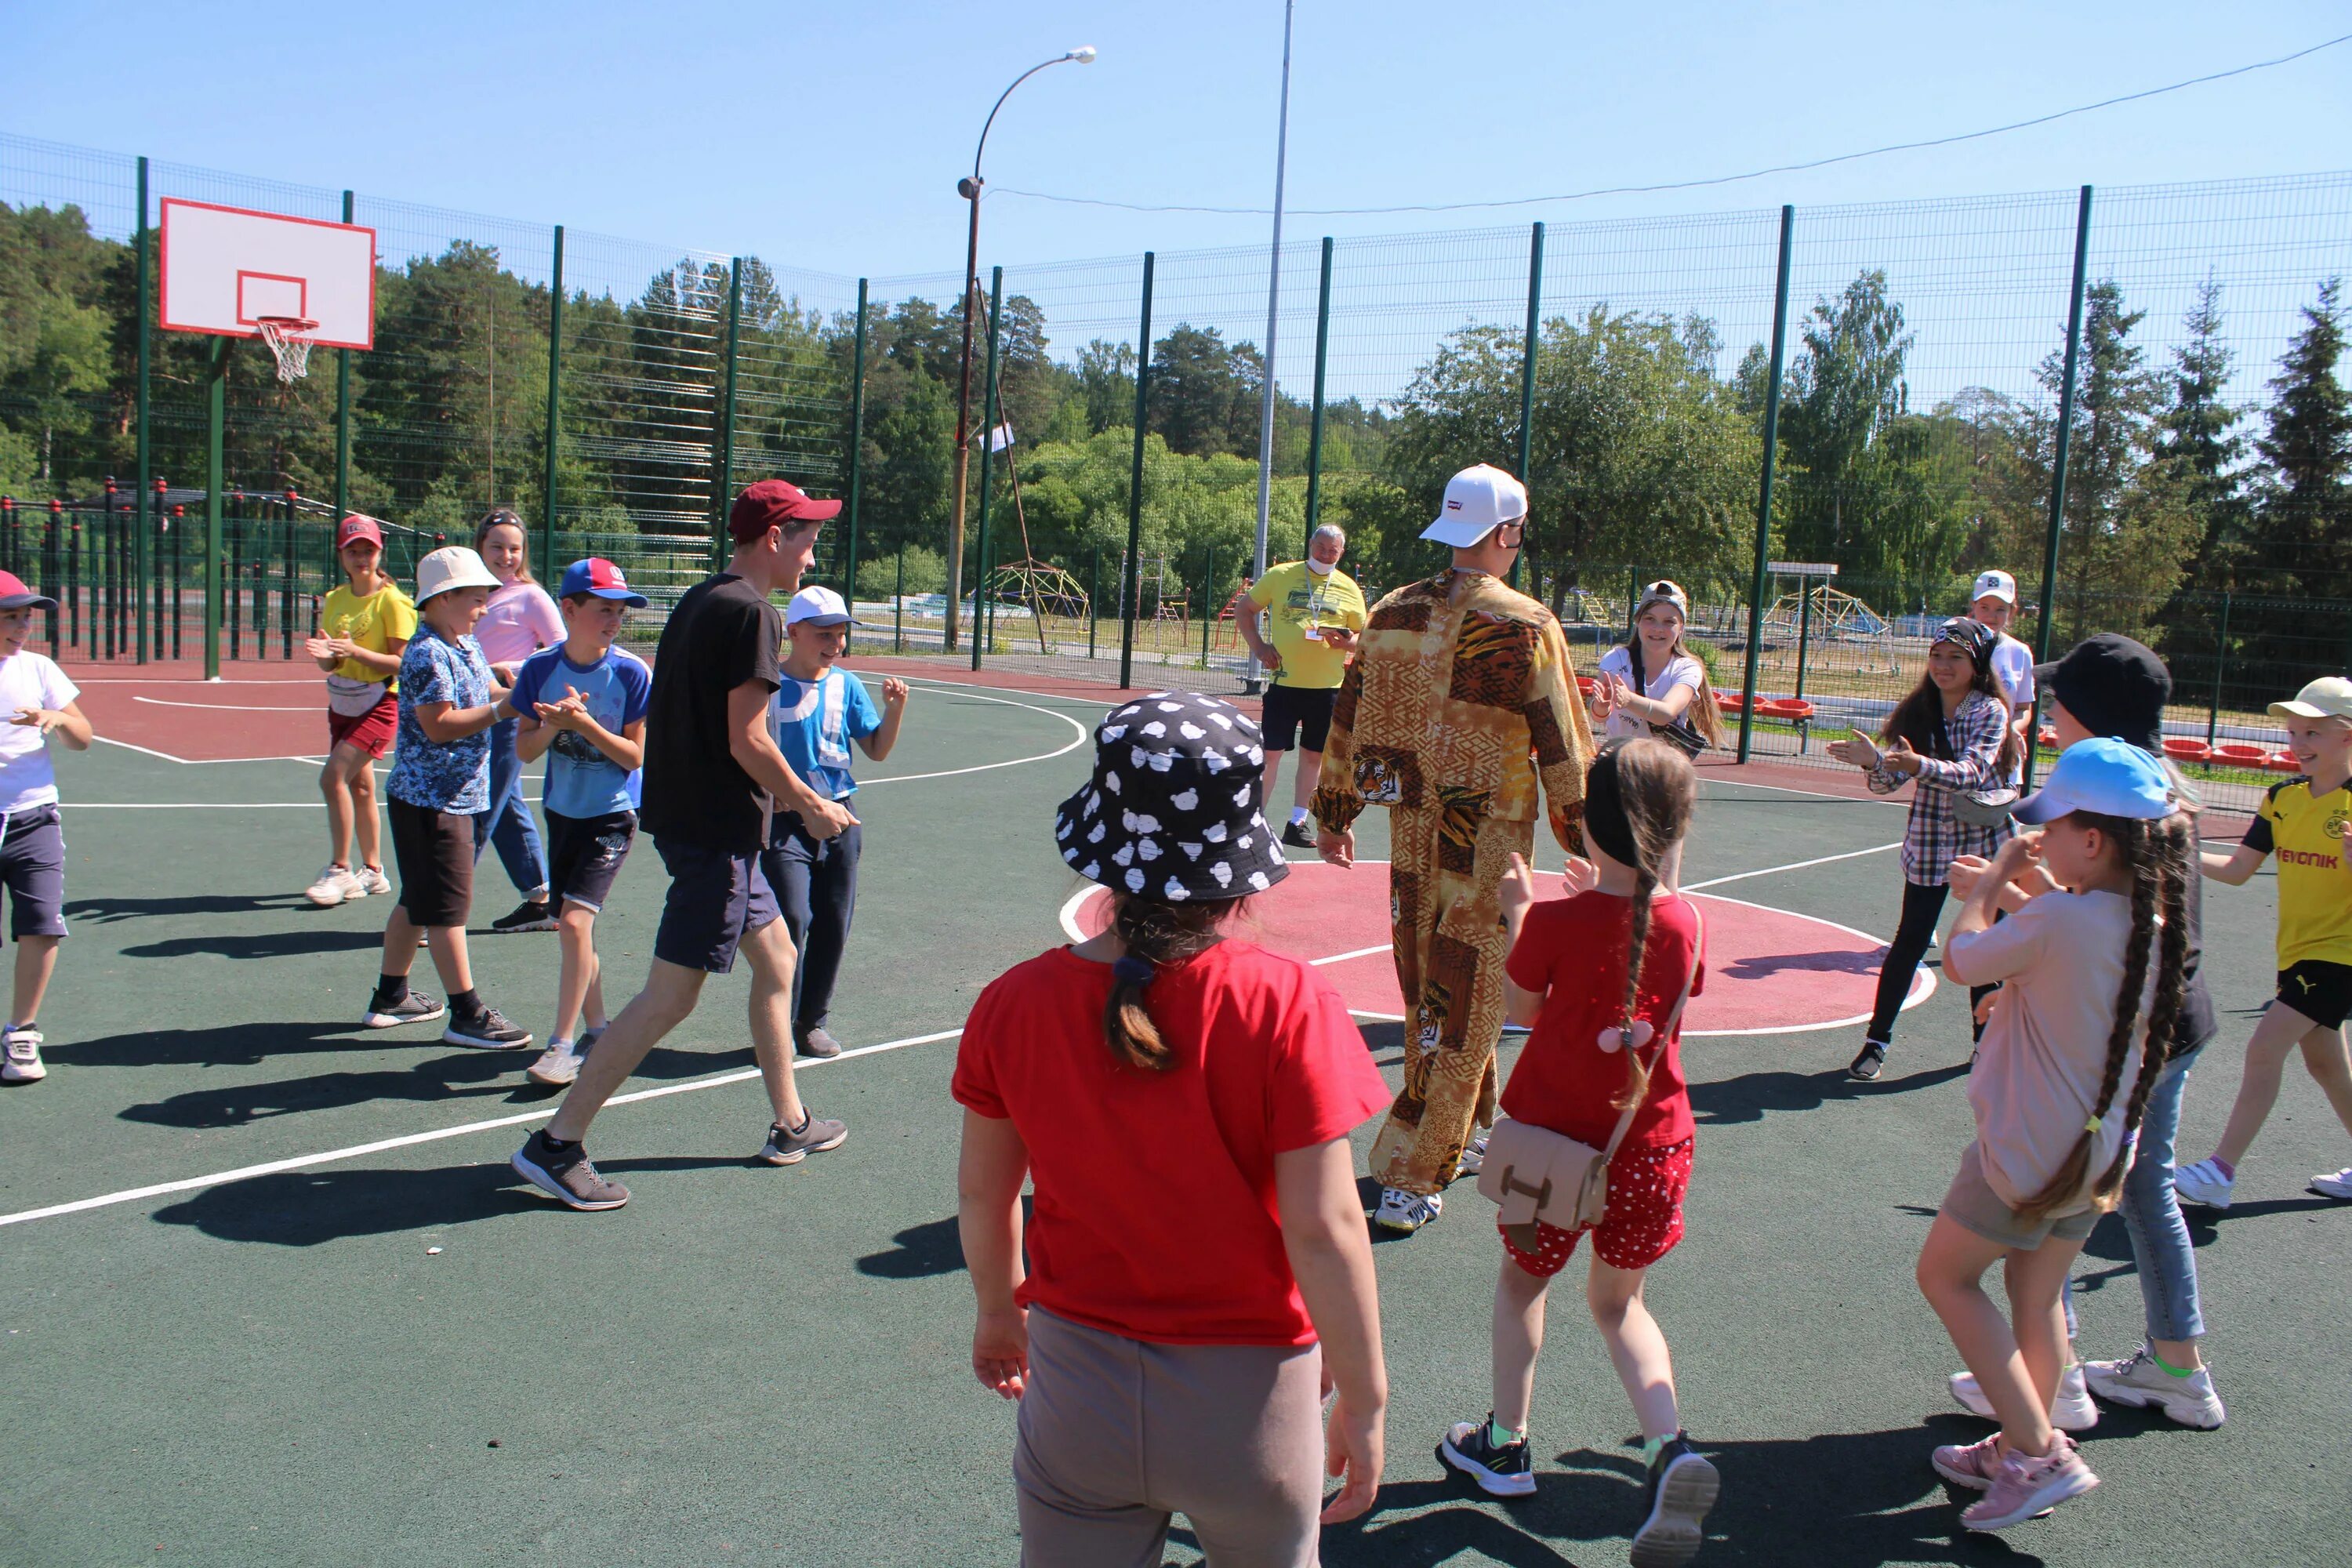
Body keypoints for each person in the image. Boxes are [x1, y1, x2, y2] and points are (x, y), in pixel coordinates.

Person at [956, 691, 1391, 1563]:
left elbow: (985, 1188)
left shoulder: (1013, 1003)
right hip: (1250, 1403)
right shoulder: (1289, 1002)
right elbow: (1325, 1225)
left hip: (1077, 1389)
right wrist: (1366, 1397)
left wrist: (999, 1310)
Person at [511, 479, 854, 1211]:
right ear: (774, 538)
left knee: (779, 958)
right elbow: (749, 738)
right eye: (808, 535)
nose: (813, 550)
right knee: (670, 997)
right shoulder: (752, 614)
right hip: (716, 836)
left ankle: (790, 1123)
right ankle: (557, 1143)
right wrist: (812, 804)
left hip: (701, 828)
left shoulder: (704, 599)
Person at [1438, 739, 1719, 1566]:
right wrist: (1618, 890)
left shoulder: (1558, 918)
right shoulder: (1688, 920)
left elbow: (1524, 1003)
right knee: (1620, 1303)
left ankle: (1505, 1441)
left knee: (1524, 1283)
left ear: (1588, 828)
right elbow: (1656, 952)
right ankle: (1672, 1446)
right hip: (1653, 1147)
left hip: (1553, 1148)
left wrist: (1525, 908)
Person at [1945, 633, 2228, 1431]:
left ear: (2093, 718)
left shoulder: (2126, 803)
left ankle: (2055, 1374)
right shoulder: (2151, 794)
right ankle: (2174, 1362)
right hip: (2161, 1022)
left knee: (2063, 1170)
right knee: (2135, 1184)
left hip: (2139, 1031)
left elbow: (2109, 936)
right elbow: (2108, 923)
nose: (2049, 715)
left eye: (2061, 702)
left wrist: (2015, 905)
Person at [1312, 463, 1595, 1234]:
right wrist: (1589, 837)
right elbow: (1563, 743)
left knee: (1431, 995)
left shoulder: (1392, 612)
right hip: (1489, 845)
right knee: (1466, 1001)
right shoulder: (1529, 623)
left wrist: (1335, 813)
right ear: (1505, 533)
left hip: (1410, 834)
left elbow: (1350, 718)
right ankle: (1412, 1166)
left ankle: (1467, 1127)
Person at [1917, 739, 2188, 1532]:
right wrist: (2026, 892)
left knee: (1947, 1277)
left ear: (2093, 840)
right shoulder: (2148, 919)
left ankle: (2038, 1450)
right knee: (2034, 1299)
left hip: (2026, 1152)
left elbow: (1960, 958)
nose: (2043, 835)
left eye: (2054, 826)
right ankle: (2019, 1437)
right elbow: (2070, 951)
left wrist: (1995, 880)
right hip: (2099, 1151)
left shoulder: (2060, 917)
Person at [2176, 674, 2352, 1209]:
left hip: (2340, 955)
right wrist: (2174, 852)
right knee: (2324, 1063)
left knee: (2264, 1047)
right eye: (2293, 733)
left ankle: (2220, 1173)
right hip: (2297, 953)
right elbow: (2236, 869)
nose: (2297, 745)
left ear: (2347, 735)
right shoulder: (2281, 800)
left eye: (2312, 734)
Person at [1825, 617, 2022, 1081]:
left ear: (1976, 665)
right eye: (1937, 656)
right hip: (1932, 844)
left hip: (1984, 844)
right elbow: (1887, 782)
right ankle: (1876, 1042)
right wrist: (1875, 762)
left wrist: (1917, 764)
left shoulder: (1990, 711)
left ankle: (1986, 1043)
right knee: (1909, 942)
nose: (1943, 665)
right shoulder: (1917, 710)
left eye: (1955, 657)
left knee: (1986, 947)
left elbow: (1972, 772)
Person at [359, 546, 532, 1051]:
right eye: (476, 600)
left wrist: (524, 699)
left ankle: (390, 997)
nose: (484, 609)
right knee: (447, 911)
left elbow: (479, 702)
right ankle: (467, 1014)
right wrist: (505, 712)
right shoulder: (428, 651)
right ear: (443, 598)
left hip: (448, 797)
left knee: (418, 900)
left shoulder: (464, 644)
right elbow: (438, 726)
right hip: (434, 801)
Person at [507, 559, 653, 1089]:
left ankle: (561, 1046)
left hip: (612, 815)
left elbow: (634, 758)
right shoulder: (539, 670)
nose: (614, 621)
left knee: (572, 924)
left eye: (621, 612)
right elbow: (524, 749)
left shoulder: (633, 673)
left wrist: (585, 724)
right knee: (576, 929)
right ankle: (598, 1026)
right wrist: (553, 723)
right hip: (562, 812)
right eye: (603, 610)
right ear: (568, 609)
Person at [762, 585, 908, 1061]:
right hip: (784, 820)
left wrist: (895, 710)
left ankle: (812, 1022)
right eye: (825, 634)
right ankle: (779, 1020)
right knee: (792, 920)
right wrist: (776, 797)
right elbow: (750, 752)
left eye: (841, 634)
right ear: (795, 632)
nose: (835, 643)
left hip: (842, 817)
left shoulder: (845, 684)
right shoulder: (766, 686)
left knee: (833, 921)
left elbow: (877, 750)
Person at [0, 572, 91, 1086]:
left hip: (34, 816)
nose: (22, 625)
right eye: (10, 615)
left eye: (26, 615)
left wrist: (57, 717)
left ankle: (22, 1033)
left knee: (41, 926)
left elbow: (84, 737)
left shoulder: (39, 669)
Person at [303, 515, 412, 908]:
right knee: (360, 786)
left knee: (333, 778)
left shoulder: (394, 601)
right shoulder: (334, 600)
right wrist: (327, 658)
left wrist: (356, 652)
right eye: (354, 551)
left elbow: (405, 663)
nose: (361, 557)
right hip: (343, 701)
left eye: (368, 550)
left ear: (379, 552)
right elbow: (332, 662)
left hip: (381, 702)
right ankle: (374, 871)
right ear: (342, 556)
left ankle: (339, 869)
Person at [1238, 525, 1369, 850]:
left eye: (1332, 551)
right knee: (1270, 754)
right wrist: (1260, 648)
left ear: (1342, 553)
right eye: (1320, 547)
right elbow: (1245, 609)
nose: (1325, 555)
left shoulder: (1348, 588)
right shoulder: (1281, 575)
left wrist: (1345, 642)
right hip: (1284, 684)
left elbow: (1363, 639)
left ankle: (1297, 823)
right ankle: (1252, 823)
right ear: (1311, 544)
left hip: (1327, 689)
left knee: (1314, 758)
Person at [470, 508, 565, 933]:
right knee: (503, 804)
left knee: (477, 804)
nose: (506, 555)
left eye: (514, 548)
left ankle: (437, 907)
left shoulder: (530, 596)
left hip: (509, 713)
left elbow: (562, 650)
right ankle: (539, 898)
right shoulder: (471, 592)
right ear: (480, 548)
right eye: (497, 547)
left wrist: (514, 665)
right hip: (470, 710)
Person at [1587, 579, 1725, 753]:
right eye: (1650, 619)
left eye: (1669, 622)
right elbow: (1599, 716)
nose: (1658, 628)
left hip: (1664, 768)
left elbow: (1666, 713)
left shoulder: (1687, 669)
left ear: (1681, 627)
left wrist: (1629, 699)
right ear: (1638, 622)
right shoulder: (1616, 660)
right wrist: (1601, 707)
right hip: (1619, 761)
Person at [1967, 569, 2037, 782]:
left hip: (2004, 761)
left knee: (2000, 815)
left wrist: (2010, 730)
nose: (1992, 616)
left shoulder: (2020, 652)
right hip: (1963, 755)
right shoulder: (1957, 647)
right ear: (1973, 607)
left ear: (2012, 611)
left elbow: (2024, 709)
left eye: (2000, 609)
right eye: (1984, 607)